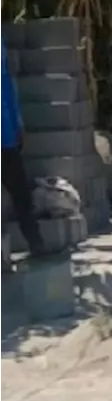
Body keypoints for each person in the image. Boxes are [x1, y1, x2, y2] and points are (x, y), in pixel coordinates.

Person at [0, 33, 51, 259]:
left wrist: (17, 122)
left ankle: (35, 243)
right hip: (6, 132)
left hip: (6, 133)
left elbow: (7, 84)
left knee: (20, 192)